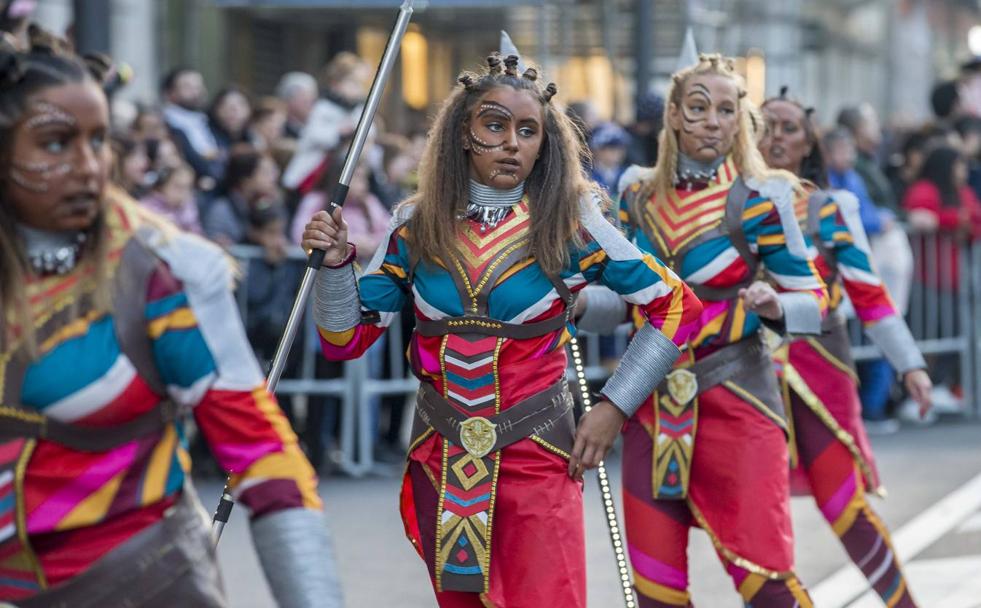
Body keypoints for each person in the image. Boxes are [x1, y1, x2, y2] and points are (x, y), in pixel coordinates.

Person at [302, 53, 701, 607]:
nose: (512, 142)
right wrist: (334, 266)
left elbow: (676, 305)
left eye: (528, 130)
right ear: (464, 135)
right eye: (495, 125)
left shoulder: (573, 222)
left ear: (544, 144)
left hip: (537, 455)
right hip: (442, 459)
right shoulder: (414, 227)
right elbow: (344, 339)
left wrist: (614, 407)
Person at [0, 34, 340, 607]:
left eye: (100, 140)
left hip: (137, 585)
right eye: (56, 143)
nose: (88, 166)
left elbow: (263, 456)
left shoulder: (168, 272)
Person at [615, 54, 826, 606]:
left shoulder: (762, 197)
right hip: (652, 403)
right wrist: (561, 296)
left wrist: (775, 302)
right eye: (699, 108)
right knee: (654, 589)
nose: (712, 120)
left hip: (736, 395)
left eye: (726, 109)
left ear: (739, 122)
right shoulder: (636, 197)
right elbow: (614, 303)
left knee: (767, 578)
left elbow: (813, 300)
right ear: (676, 117)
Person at [760, 89, 932, 607]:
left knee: (845, 505)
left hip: (820, 370)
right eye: (766, 125)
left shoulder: (827, 208)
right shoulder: (718, 208)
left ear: (809, 139)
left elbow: (870, 294)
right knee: (754, 516)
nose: (777, 137)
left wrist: (911, 366)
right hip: (741, 374)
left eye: (790, 126)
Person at [283, 52, 371, 193]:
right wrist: (339, 132)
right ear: (336, 84)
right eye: (353, 83)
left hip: (340, 176)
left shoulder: (359, 110)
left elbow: (370, 134)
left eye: (360, 84)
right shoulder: (324, 107)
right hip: (312, 176)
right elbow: (314, 135)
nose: (358, 89)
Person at [203, 144, 282, 247]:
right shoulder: (221, 212)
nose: (273, 179)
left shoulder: (268, 205)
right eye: (265, 173)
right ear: (246, 180)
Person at [160, 67, 222, 186]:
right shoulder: (166, 123)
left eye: (198, 87)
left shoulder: (210, 120)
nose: (196, 92)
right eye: (188, 87)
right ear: (170, 93)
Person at [139, 163, 204, 235]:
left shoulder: (188, 207)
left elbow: (197, 235)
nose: (183, 192)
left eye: (187, 187)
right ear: (163, 185)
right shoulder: (146, 206)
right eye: (178, 186)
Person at [276, 71, 318, 140]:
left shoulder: (316, 128)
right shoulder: (278, 130)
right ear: (289, 100)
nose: (311, 104)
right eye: (305, 100)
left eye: (313, 99)